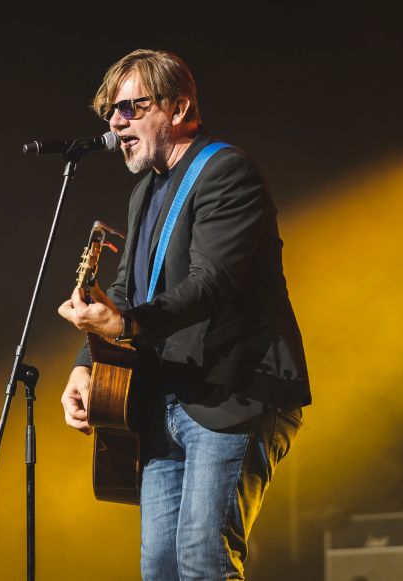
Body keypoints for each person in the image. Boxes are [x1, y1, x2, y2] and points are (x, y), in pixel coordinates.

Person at [58, 49, 311, 580]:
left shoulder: (226, 171)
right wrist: (86, 362)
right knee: (160, 569)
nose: (116, 123)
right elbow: (126, 290)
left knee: (203, 561)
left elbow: (211, 282)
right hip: (165, 397)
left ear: (178, 108)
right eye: (109, 111)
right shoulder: (144, 192)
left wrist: (127, 326)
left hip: (233, 393)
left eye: (131, 107)